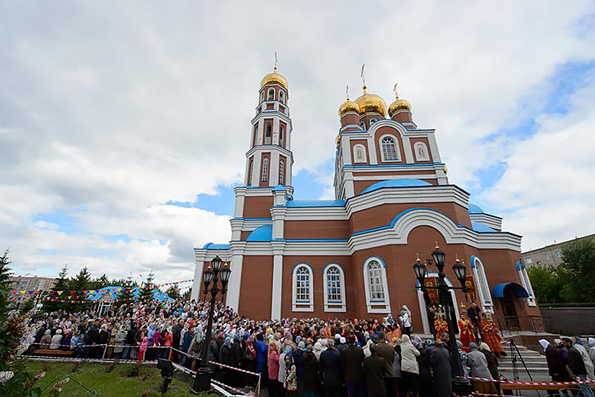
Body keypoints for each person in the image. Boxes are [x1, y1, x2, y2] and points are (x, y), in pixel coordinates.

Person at [376, 331, 396, 397]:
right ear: (385, 338)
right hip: (391, 372)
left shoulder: (377, 348)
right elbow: (392, 359)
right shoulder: (391, 347)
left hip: (381, 375)